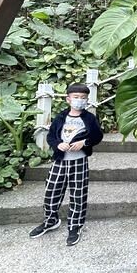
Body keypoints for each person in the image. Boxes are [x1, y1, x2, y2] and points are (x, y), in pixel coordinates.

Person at [29, 83, 103, 246]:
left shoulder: (89, 118)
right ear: (68, 99)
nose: (79, 101)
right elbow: (51, 137)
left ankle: (75, 225)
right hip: (60, 160)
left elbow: (98, 136)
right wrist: (57, 145)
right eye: (76, 97)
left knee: (78, 194)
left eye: (83, 98)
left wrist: (84, 142)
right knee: (51, 191)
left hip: (79, 161)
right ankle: (50, 220)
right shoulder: (61, 117)